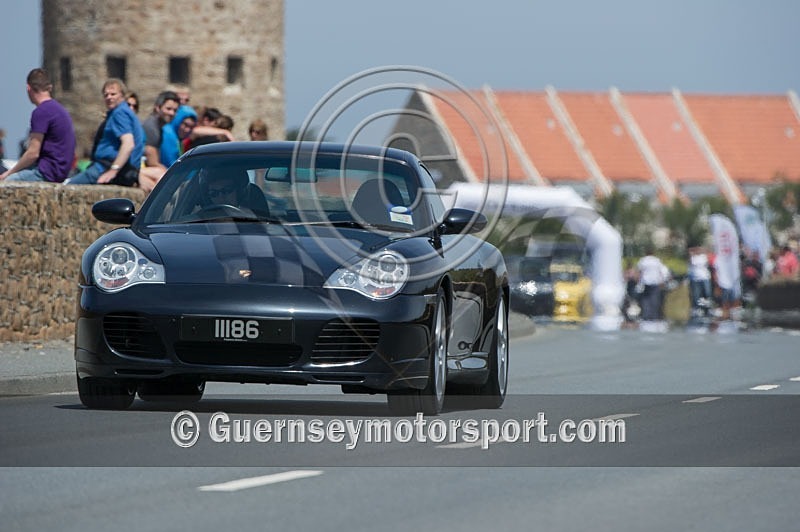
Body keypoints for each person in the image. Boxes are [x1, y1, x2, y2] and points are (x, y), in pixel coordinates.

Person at [1, 68, 76, 183]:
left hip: (46, 173)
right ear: (49, 87)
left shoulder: (41, 112)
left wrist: (9, 173)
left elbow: (33, 153)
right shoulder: (60, 109)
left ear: (28, 88)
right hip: (60, 172)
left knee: (6, 183)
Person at [65, 78, 144, 187]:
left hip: (104, 168)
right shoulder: (125, 113)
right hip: (114, 169)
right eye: (106, 95)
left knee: (66, 188)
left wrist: (113, 170)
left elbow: (128, 144)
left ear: (122, 95)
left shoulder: (120, 113)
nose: (109, 97)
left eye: (113, 94)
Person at [138, 90, 180, 192]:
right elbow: (152, 162)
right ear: (157, 108)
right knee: (164, 177)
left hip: (142, 169)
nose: (172, 113)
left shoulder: (159, 127)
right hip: (136, 170)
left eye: (175, 110)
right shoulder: (152, 127)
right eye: (168, 109)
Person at [636, 246, 670, 321]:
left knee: (645, 299)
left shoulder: (643, 260)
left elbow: (639, 272)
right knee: (654, 299)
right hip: (655, 281)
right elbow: (661, 271)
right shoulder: (657, 261)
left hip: (646, 281)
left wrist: (638, 281)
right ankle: (654, 315)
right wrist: (662, 281)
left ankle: (646, 315)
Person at [687, 245, 713, 317]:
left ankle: (707, 309)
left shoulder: (704, 257)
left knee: (707, 294)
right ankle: (698, 309)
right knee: (696, 295)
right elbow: (690, 263)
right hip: (695, 279)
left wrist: (702, 250)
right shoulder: (692, 258)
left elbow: (708, 257)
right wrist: (691, 252)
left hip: (705, 278)